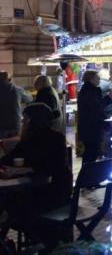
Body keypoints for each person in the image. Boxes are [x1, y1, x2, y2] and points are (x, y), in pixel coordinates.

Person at [0, 103, 71, 248]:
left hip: (49, 197)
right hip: (60, 195)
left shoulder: (36, 139)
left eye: (24, 118)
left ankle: (9, 241)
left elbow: (50, 167)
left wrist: (23, 170)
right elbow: (11, 158)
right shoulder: (56, 137)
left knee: (8, 201)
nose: (21, 122)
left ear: (31, 120)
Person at [77, 70, 107, 164]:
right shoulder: (89, 91)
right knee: (91, 152)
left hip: (90, 127)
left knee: (91, 152)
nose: (99, 80)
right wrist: (109, 98)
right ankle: (87, 175)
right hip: (91, 128)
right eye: (97, 78)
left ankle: (87, 174)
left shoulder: (89, 90)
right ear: (91, 79)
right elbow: (96, 107)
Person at [0, 71, 32, 138]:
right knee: (14, 144)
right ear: (9, 80)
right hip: (15, 123)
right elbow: (29, 99)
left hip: (1, 125)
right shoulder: (17, 90)